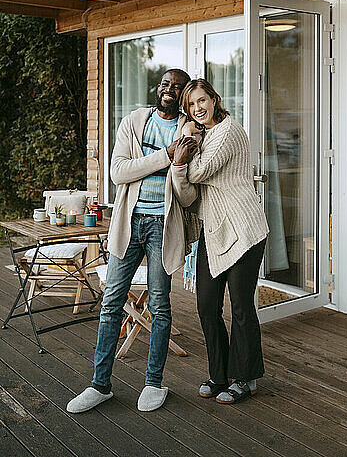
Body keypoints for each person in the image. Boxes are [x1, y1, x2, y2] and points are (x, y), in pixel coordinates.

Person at [67, 69, 198, 414]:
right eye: (165, 83)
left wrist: (180, 164)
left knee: (160, 305)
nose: (170, 90)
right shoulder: (135, 122)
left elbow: (186, 198)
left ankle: (154, 383)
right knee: (111, 303)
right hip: (129, 222)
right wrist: (165, 156)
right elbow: (118, 172)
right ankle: (100, 385)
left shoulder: (190, 134)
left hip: (162, 227)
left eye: (178, 87)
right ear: (158, 88)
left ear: (184, 95)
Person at [171, 78, 269, 404]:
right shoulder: (205, 134)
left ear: (214, 98)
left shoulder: (227, 131)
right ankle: (220, 373)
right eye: (191, 105)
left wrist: (186, 140)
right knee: (206, 306)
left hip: (243, 229)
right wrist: (191, 140)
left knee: (241, 308)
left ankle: (245, 378)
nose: (198, 108)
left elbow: (197, 172)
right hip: (213, 231)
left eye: (202, 101)